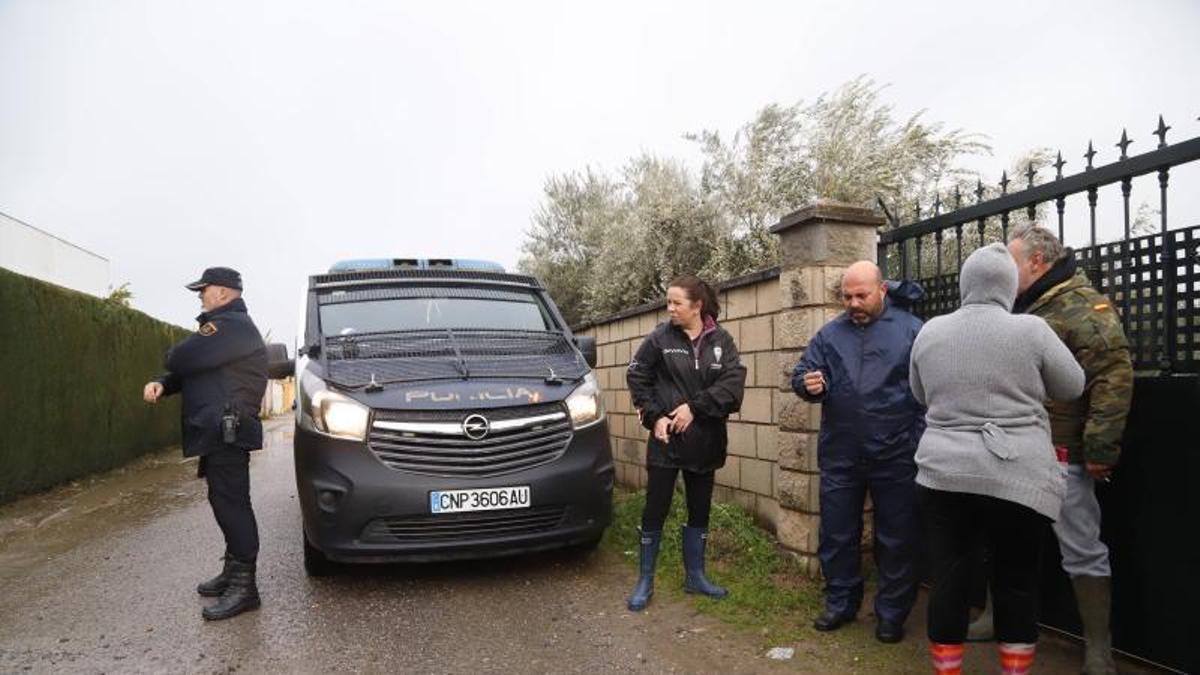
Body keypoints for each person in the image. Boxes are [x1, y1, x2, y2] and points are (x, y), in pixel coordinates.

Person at [910, 243, 1085, 674]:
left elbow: (919, 393)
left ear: (964, 284)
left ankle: (948, 671)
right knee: (1016, 582)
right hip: (1018, 478)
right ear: (1009, 287)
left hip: (945, 475)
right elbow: (1073, 385)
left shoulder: (930, 332)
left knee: (948, 581)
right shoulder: (1033, 330)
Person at [1005, 224, 1131, 674]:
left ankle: (1098, 647)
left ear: (1037, 262)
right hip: (1014, 445)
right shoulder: (1022, 305)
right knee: (1006, 536)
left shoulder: (1082, 306)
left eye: (1012, 262)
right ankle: (999, 618)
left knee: (1081, 545)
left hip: (1061, 449)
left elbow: (1113, 375)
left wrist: (1099, 447)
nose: (1006, 271)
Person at [790, 260, 925, 643]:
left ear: (882, 290)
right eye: (846, 296)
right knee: (837, 532)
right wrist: (807, 384)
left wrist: (915, 441)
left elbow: (929, 393)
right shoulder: (829, 335)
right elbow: (802, 373)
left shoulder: (913, 331)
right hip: (841, 453)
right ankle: (840, 603)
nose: (852, 303)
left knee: (896, 537)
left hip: (896, 453)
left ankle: (892, 614)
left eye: (860, 295)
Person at [142, 266, 268, 621]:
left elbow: (179, 358)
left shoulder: (231, 326)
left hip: (228, 429)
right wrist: (164, 383)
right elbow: (193, 370)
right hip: (219, 429)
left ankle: (245, 587)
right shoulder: (226, 330)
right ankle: (232, 572)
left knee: (232, 505)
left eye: (204, 289)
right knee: (222, 500)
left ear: (223, 293)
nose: (200, 295)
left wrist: (169, 368)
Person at [625, 275, 746, 612]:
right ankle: (645, 580)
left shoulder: (722, 341)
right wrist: (654, 417)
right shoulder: (660, 338)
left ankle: (695, 577)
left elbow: (732, 388)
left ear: (697, 306)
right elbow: (637, 376)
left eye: (676, 303)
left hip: (706, 442)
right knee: (655, 509)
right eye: (669, 302)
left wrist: (694, 408)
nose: (670, 308)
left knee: (699, 509)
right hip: (665, 443)